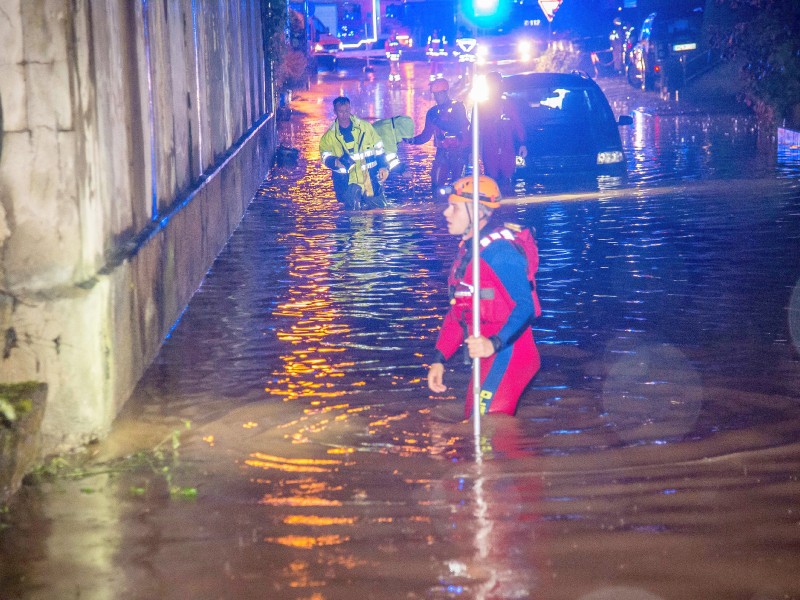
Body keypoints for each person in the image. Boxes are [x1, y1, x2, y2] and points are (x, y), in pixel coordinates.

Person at [427, 175, 541, 417]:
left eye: (454, 207)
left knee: (484, 430)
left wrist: (493, 344)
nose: (446, 213)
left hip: (508, 352)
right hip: (490, 353)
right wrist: (439, 357)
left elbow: (525, 307)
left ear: (477, 212)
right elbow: (460, 310)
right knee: (475, 424)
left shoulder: (499, 253)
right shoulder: (468, 253)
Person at [319, 96, 389, 210]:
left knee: (380, 213)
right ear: (335, 112)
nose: (344, 114)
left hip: (370, 180)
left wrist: (384, 167)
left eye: (347, 111)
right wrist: (335, 161)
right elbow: (324, 156)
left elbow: (379, 149)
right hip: (348, 184)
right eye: (341, 112)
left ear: (350, 108)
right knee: (353, 217)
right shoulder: (329, 136)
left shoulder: (365, 127)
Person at [405, 79, 470, 197]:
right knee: (436, 186)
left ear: (446, 92)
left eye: (439, 94)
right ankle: (438, 209)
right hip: (442, 152)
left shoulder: (458, 107)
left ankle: (457, 210)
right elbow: (426, 135)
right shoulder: (432, 112)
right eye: (435, 94)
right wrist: (411, 140)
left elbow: (457, 127)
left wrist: (438, 121)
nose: (436, 97)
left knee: (459, 186)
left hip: (459, 152)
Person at [474, 71, 527, 195]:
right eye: (491, 84)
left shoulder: (509, 103)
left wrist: (523, 143)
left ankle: (508, 209)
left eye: (496, 84)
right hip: (489, 147)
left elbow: (517, 123)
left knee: (507, 179)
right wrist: (472, 151)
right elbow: (475, 130)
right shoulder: (481, 106)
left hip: (507, 146)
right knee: (492, 179)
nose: (493, 87)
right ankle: (496, 209)